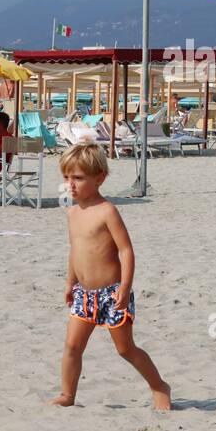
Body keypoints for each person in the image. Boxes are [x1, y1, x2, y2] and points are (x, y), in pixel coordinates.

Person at [50, 142, 171, 410]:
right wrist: (70, 282)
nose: (71, 184)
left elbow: (126, 251)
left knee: (125, 349)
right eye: (67, 178)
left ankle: (159, 386)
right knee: (72, 346)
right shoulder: (72, 213)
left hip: (112, 293)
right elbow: (76, 250)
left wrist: (125, 287)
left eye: (78, 178)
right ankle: (68, 395)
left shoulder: (107, 211)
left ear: (99, 178)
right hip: (84, 293)